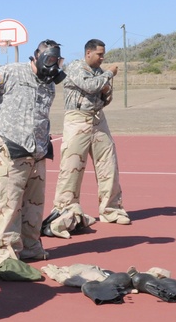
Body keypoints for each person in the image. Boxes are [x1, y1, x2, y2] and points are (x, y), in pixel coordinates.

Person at [0, 39, 64, 265]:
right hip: (10, 148)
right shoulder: (11, 72)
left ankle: (30, 247)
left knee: (33, 206)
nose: (54, 65)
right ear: (37, 57)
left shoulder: (49, 83)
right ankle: (5, 253)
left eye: (57, 60)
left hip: (38, 151)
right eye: (50, 59)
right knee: (8, 204)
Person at [50, 38, 130, 229]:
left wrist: (105, 86)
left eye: (103, 54)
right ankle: (66, 212)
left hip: (97, 119)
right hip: (77, 120)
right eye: (99, 54)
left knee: (108, 165)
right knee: (72, 167)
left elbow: (106, 97)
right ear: (88, 53)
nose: (102, 58)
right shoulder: (77, 67)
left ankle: (111, 209)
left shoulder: (99, 73)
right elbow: (91, 86)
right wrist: (109, 75)